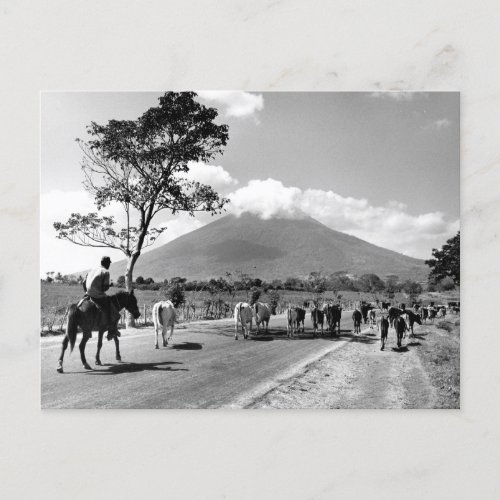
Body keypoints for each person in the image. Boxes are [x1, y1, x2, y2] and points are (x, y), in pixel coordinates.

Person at [83, 256, 120, 340]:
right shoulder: (106, 272)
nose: (109, 265)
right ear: (106, 263)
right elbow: (104, 288)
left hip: (88, 293)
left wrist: (87, 292)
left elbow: (83, 282)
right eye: (109, 263)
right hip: (98, 295)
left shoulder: (92, 269)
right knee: (114, 312)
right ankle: (111, 331)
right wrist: (110, 285)